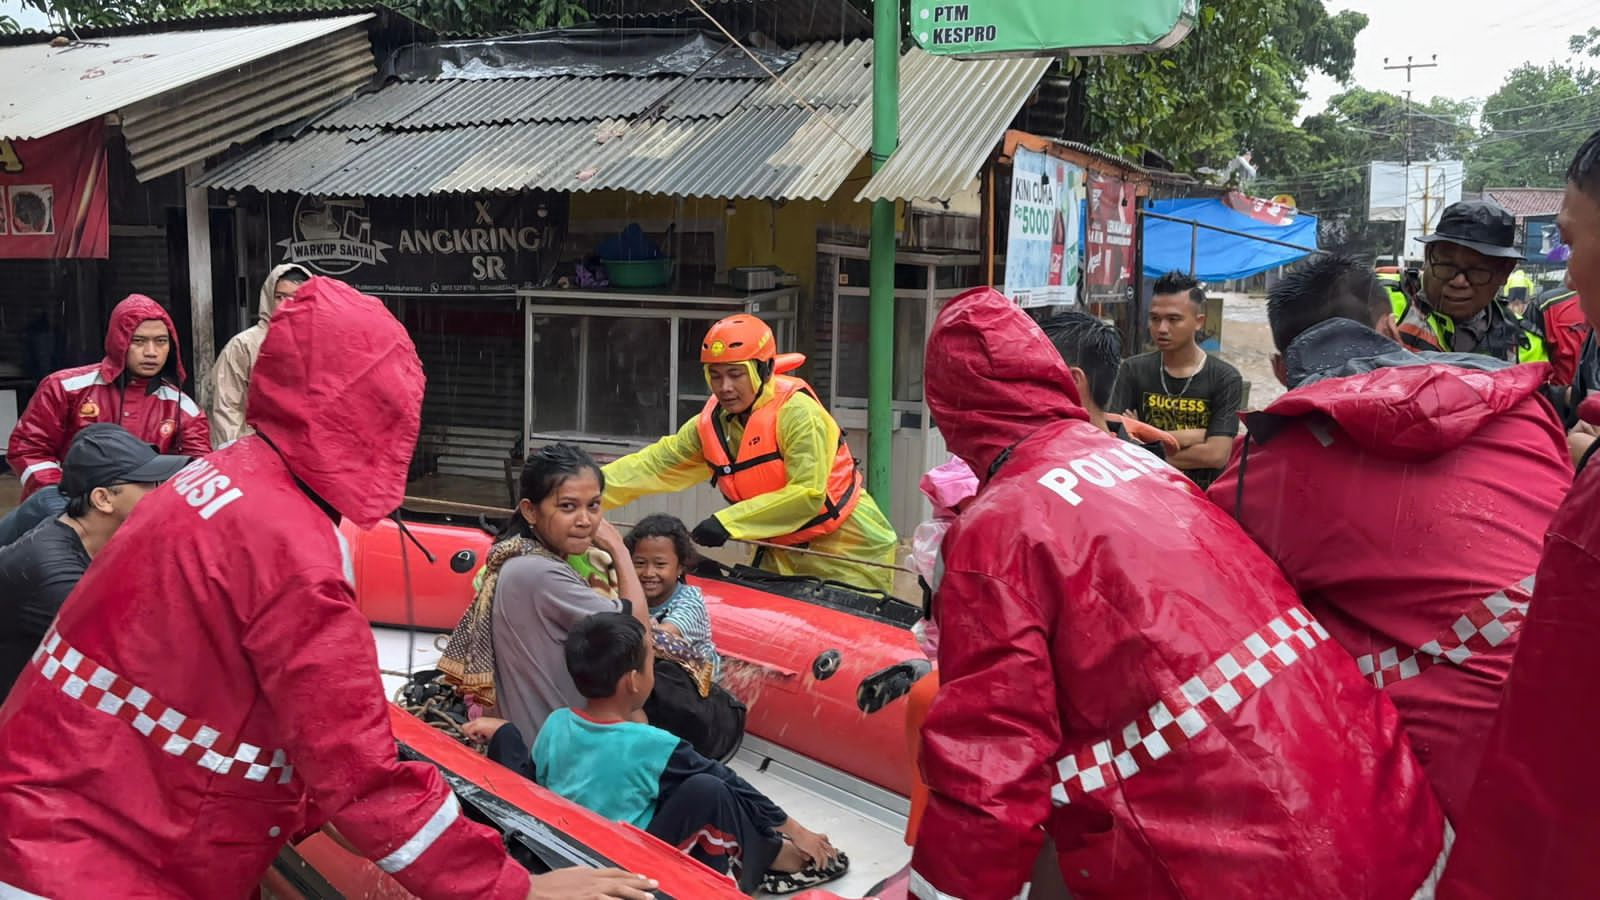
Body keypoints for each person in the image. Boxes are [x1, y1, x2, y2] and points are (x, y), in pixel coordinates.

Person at [0, 278, 655, 900]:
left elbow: (222, 691)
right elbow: (360, 773)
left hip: (46, 818)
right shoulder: (293, 553)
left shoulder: (214, 481)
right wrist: (511, 886)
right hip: (96, 864)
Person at [909, 285, 1447, 900]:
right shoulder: (1151, 470)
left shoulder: (1000, 526)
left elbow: (989, 760)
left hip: (1240, 864)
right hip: (1388, 816)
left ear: (952, 411)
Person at [1207, 254, 1571, 823]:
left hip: (1451, 773)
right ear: (1389, 330)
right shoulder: (1520, 403)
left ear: (1282, 368)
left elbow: (1211, 589)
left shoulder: (1273, 462)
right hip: (1574, 708)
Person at [1439, 129, 1600, 897]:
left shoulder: (1531, 335)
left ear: (1503, 275)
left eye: (1479, 268)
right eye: (1449, 262)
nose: (1460, 280)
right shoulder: (1388, 319)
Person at [464, 612, 848, 896]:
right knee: (709, 789)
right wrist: (799, 831)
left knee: (692, 782)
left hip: (565, 853)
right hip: (625, 865)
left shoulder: (556, 723)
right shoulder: (652, 745)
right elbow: (732, 782)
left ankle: (768, 848)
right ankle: (766, 861)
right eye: (651, 663)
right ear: (633, 681)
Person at [602, 315, 898, 594]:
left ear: (765, 370)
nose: (725, 388)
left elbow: (808, 494)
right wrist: (585, 488)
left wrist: (727, 523)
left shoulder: (799, 415)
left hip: (848, 549)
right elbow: (654, 464)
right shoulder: (711, 425)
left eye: (735, 374)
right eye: (715, 376)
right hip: (780, 552)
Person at [440, 443, 652, 746]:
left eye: (593, 506)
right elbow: (637, 634)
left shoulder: (519, 560)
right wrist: (618, 548)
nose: (585, 520)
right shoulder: (540, 573)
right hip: (551, 751)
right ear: (530, 511)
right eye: (568, 506)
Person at [0, 294, 211, 545]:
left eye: (161, 341)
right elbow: (27, 448)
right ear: (119, 341)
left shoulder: (184, 409)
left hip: (139, 526)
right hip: (63, 517)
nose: (151, 352)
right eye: (139, 341)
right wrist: (61, 496)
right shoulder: (65, 387)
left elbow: (199, 472)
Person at [0, 424, 189, 696]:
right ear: (102, 499)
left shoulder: (89, 536)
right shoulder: (58, 579)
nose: (163, 494)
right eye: (150, 484)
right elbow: (138, 665)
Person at [626, 513, 746, 762]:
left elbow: (663, 637)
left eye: (660, 565)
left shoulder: (690, 600)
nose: (649, 573)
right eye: (639, 563)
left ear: (680, 566)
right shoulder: (628, 594)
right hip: (659, 691)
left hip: (698, 701)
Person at [1111, 272, 1245, 488]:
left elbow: (1216, 455)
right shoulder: (1133, 370)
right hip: (1146, 490)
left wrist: (1144, 441)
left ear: (1199, 322)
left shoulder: (1225, 378)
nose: (1162, 328)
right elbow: (1115, 442)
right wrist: (1192, 436)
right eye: (1155, 319)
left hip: (1202, 498)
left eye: (1173, 319)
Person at [1390, 199, 1549, 364]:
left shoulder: (1524, 346)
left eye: (1477, 271)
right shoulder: (1382, 300)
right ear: (1428, 254)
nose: (1459, 281)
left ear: (1505, 271)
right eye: (1447, 265)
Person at [1037, 310, 1180, 455]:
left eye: (1034, 378)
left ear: (1073, 380)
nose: (1023, 391)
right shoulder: (1140, 460)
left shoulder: (1131, 469)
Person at [209, 263, 310, 446]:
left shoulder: (317, 343)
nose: (287, 304)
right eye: (280, 297)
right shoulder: (243, 345)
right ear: (269, 297)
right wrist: (238, 454)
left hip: (303, 453)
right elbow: (227, 407)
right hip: (256, 449)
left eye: (296, 297)